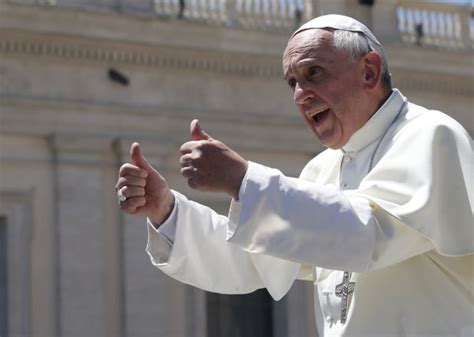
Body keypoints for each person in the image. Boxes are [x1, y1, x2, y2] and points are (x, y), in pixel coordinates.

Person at [115, 14, 473, 336]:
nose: (301, 95)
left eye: (314, 73)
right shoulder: (323, 169)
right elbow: (252, 257)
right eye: (292, 83)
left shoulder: (431, 135)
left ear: (369, 71)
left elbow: (368, 231)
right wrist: (167, 211)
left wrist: (242, 179)